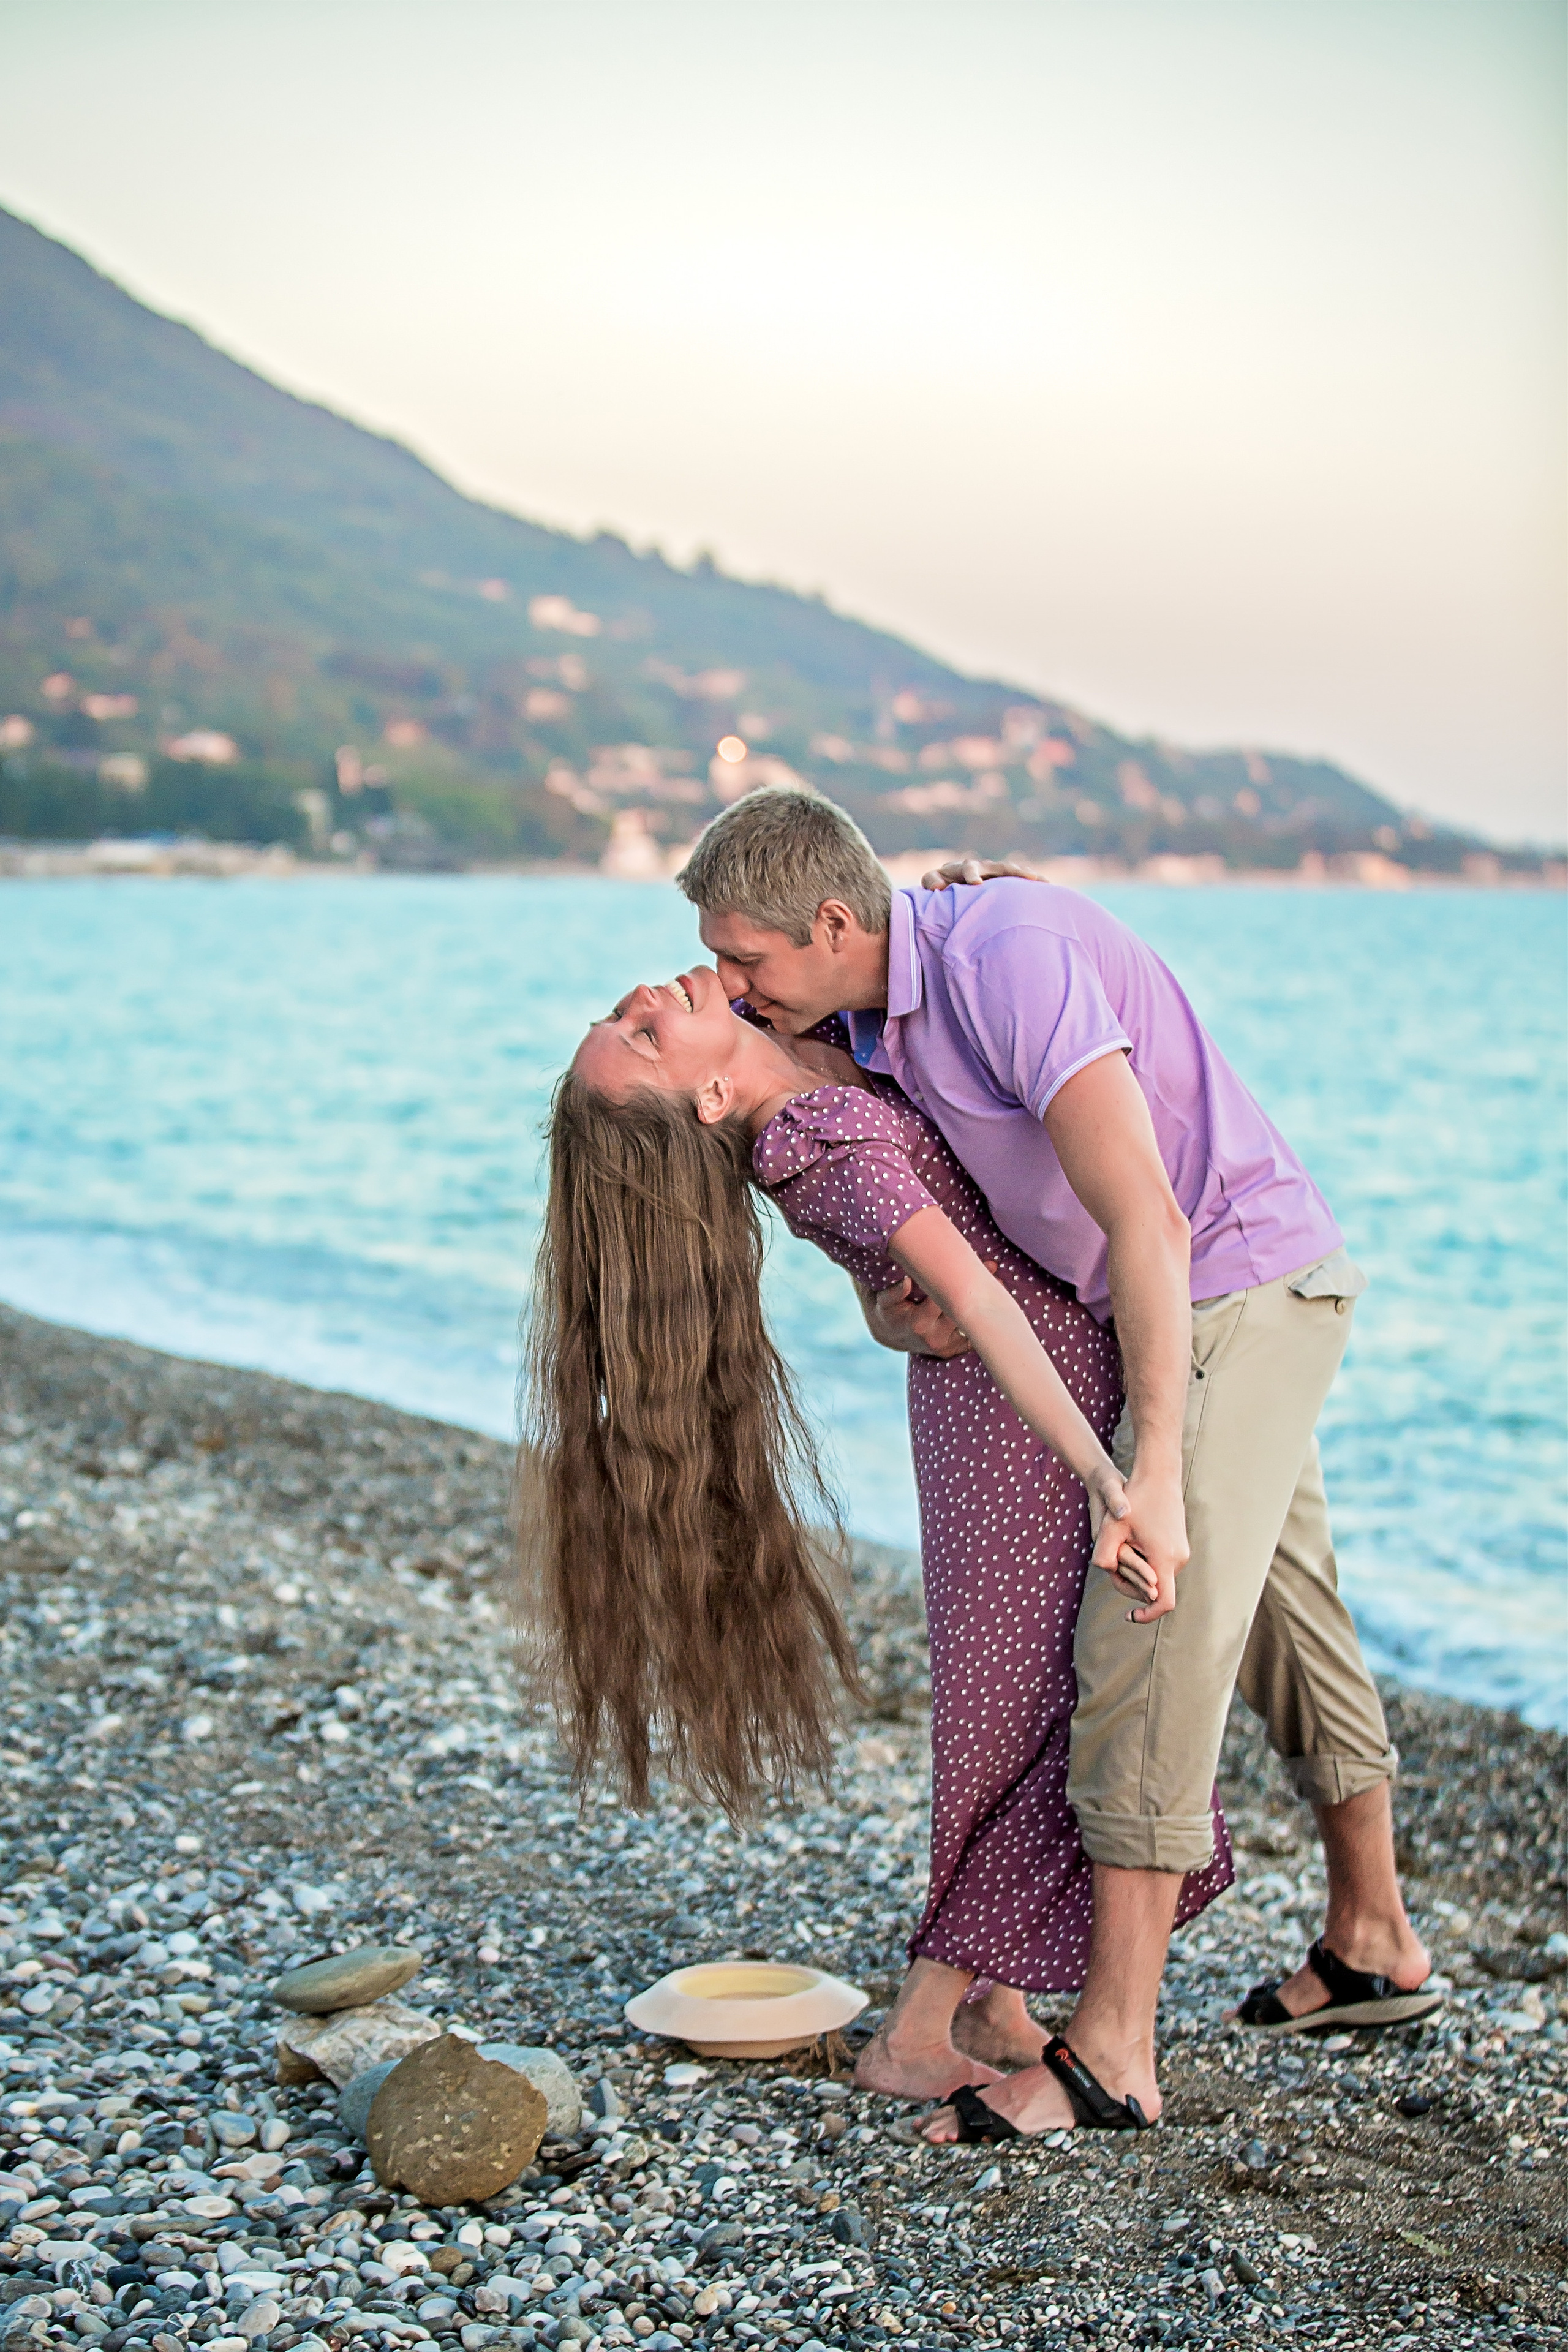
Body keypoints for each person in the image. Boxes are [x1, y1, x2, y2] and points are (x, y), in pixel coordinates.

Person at [675, 785, 1441, 2144]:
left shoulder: (1005, 961)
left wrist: (1151, 1467)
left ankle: (1115, 2050)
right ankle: (1372, 1941)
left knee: (1144, 1629)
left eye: (746, 958)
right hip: (1202, 1298)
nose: (732, 987)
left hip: (1230, 1290)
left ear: (834, 922)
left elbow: (1145, 1215)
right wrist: (883, 1312)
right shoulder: (863, 1018)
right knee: (1285, 1618)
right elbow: (902, 1219)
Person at [522, 962, 1234, 2117]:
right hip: (1014, 1427)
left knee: (1029, 1694)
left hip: (1011, 1403)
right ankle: (911, 2036)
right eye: (641, 1036)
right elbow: (982, 1303)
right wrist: (1113, 1477)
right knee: (1031, 1710)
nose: (641, 998)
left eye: (620, 1016)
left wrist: (957, 906)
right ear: (709, 1100)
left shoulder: (764, 1044)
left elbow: (873, 973)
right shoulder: (815, 1144)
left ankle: (989, 2006)